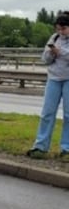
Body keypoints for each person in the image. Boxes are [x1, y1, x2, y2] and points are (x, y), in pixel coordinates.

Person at [27, 14, 69, 161]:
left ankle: (66, 148)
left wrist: (61, 52)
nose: (61, 32)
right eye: (58, 29)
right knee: (47, 113)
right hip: (53, 79)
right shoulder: (54, 38)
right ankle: (40, 146)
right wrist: (51, 53)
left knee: (68, 115)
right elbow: (44, 59)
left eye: (63, 28)